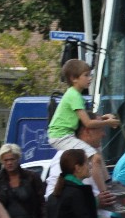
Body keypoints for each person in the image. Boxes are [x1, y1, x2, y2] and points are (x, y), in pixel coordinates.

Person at [46, 58, 118, 187]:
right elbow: (88, 123)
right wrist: (108, 123)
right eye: (86, 75)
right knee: (95, 158)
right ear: (74, 78)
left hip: (64, 135)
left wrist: (104, 118)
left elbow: (84, 118)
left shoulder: (74, 95)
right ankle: (105, 192)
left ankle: (109, 183)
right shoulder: (74, 96)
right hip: (61, 136)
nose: (90, 78)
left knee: (97, 149)